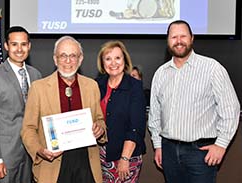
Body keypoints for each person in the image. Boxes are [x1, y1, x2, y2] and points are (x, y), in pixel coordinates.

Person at [148, 20, 240, 183]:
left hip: (200, 153)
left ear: (192, 38)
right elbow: (155, 114)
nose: (178, 41)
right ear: (168, 41)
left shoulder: (212, 68)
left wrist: (221, 145)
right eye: (174, 37)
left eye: (183, 36)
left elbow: (230, 108)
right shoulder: (160, 74)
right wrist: (157, 145)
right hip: (168, 150)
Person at [20, 36, 107, 183]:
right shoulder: (38, 88)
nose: (68, 61)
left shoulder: (91, 86)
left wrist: (100, 129)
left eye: (73, 56)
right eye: (63, 56)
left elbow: (99, 119)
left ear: (80, 59)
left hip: (86, 164)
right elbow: (28, 129)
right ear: (55, 59)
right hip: (53, 164)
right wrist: (40, 150)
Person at [0, 26, 42, 182]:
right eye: (14, 44)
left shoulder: (36, 75)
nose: (19, 49)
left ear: (29, 46)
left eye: (23, 44)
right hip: (4, 156)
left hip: (30, 154)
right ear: (6, 46)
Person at [95, 40, 146, 183]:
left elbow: (136, 127)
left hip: (126, 156)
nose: (113, 63)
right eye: (108, 59)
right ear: (102, 63)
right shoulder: (96, 85)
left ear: (125, 60)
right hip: (100, 155)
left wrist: (124, 158)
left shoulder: (134, 86)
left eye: (118, 58)